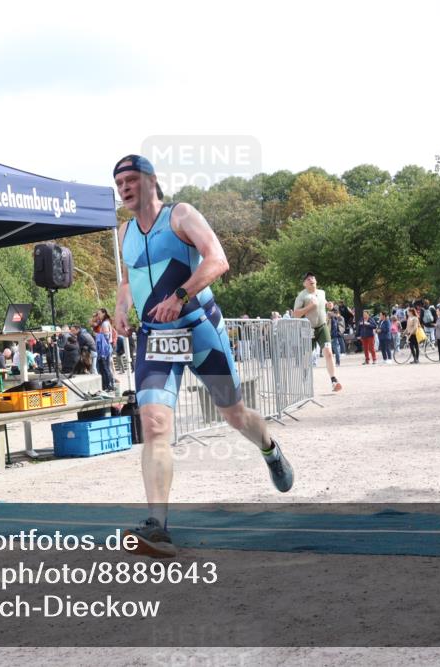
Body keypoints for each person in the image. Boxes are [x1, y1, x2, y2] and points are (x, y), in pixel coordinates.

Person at [112, 153, 293, 557]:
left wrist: (180, 296)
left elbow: (218, 260)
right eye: (119, 182)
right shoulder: (123, 232)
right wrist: (122, 310)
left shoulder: (181, 215)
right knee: (155, 425)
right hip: (156, 337)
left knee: (234, 415)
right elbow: (127, 281)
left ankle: (269, 448)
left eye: (131, 179)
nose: (124, 187)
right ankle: (157, 526)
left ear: (151, 181)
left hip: (198, 327)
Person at [293, 272, 342, 390]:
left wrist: (328, 305)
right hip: (307, 329)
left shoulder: (321, 292)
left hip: (322, 326)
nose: (311, 280)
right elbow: (295, 314)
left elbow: (324, 302)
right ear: (304, 284)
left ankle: (334, 381)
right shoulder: (302, 296)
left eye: (313, 278)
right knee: (306, 357)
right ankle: (304, 380)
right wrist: (310, 307)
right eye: (308, 279)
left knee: (329, 353)